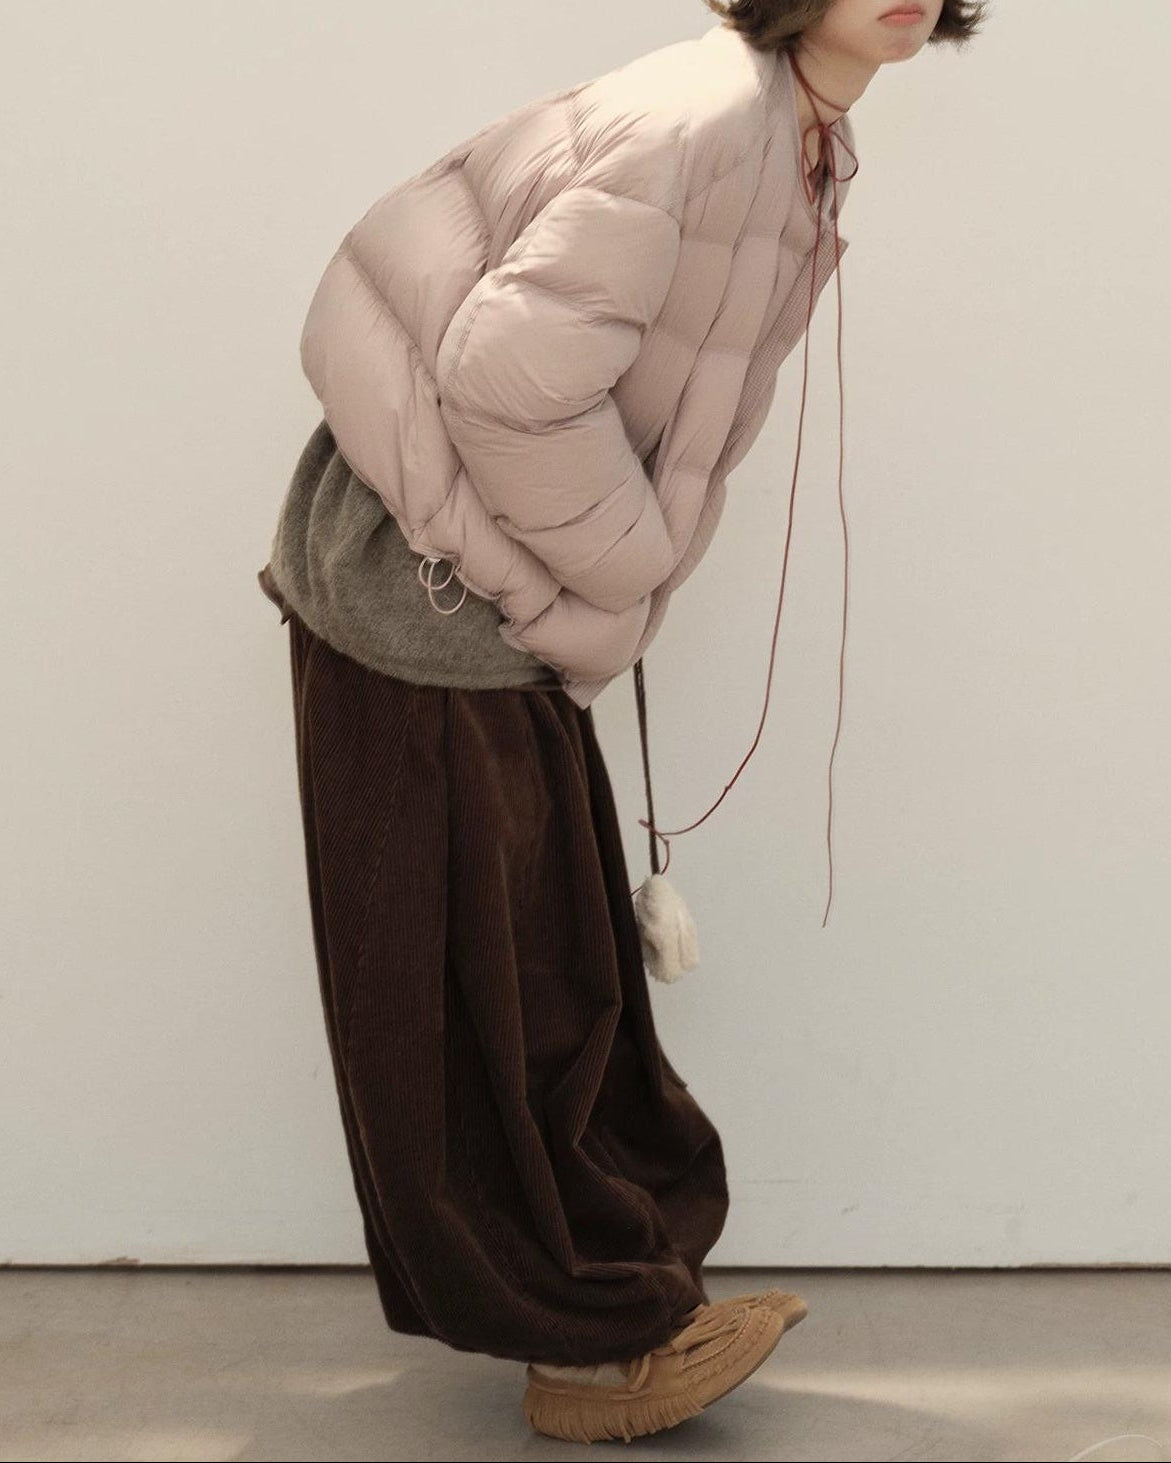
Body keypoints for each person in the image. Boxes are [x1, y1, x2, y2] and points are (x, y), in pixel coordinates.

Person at [257, 0, 987, 1445]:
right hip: (422, 589)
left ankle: (621, 1310)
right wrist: (624, 563)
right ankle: (590, 1358)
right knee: (480, 1005)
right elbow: (507, 376)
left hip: (473, 586)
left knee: (554, 972)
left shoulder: (792, 132)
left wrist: (586, 586)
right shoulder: (704, 125)